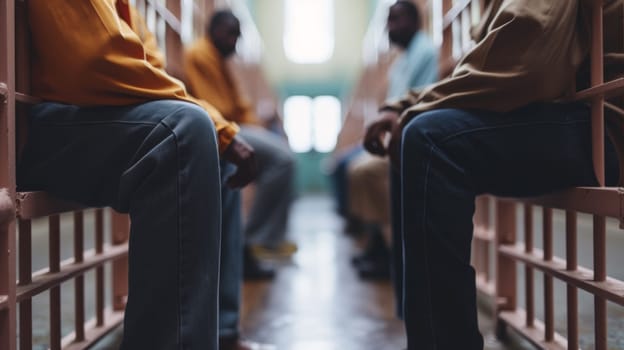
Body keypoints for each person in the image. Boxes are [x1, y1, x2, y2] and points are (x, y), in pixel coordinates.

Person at [364, 0, 622, 349]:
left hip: (605, 123)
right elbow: (500, 58)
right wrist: (407, 106)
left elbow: (528, 62)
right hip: (583, 110)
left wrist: (412, 108)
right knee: (411, 133)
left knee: (426, 139)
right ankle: (423, 333)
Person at [19, 1, 257, 349]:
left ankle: (223, 330)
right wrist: (222, 126)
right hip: (29, 122)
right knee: (186, 133)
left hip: (88, 114)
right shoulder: (203, 54)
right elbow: (95, 60)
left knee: (215, 146)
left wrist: (224, 130)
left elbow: (149, 65)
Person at [184, 10, 297, 268]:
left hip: (234, 125)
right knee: (283, 159)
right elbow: (218, 107)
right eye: (229, 33)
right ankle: (255, 241)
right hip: (221, 128)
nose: (234, 40)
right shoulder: (200, 54)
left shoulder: (219, 59)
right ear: (213, 30)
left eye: (237, 35)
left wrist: (257, 126)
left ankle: (256, 239)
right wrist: (253, 127)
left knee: (280, 153)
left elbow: (240, 104)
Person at [349, 0, 438, 281]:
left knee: (364, 170)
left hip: (411, 134)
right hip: (397, 132)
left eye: (396, 19)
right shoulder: (401, 59)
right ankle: (380, 244)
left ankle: (389, 248)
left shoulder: (425, 52)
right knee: (356, 169)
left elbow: (423, 98)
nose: (389, 27)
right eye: (388, 20)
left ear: (415, 21)